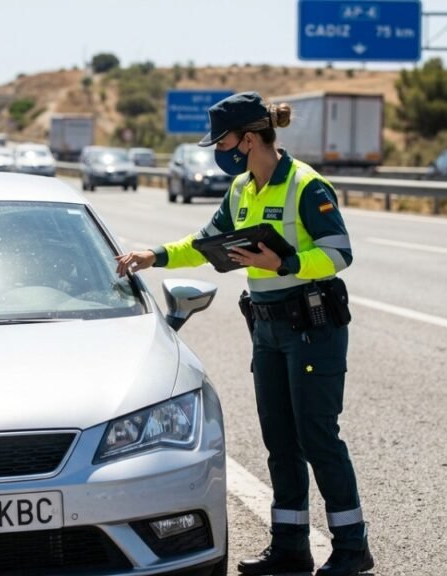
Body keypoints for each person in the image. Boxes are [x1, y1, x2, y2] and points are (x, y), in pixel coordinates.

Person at [115, 92, 373, 576]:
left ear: (249, 138)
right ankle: (291, 547)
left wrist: (288, 262)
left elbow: (340, 253)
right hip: (268, 327)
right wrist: (156, 255)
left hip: (312, 328)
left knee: (318, 437)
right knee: (280, 439)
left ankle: (352, 548)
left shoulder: (306, 185)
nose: (219, 149)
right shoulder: (241, 189)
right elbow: (204, 242)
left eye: (223, 140)